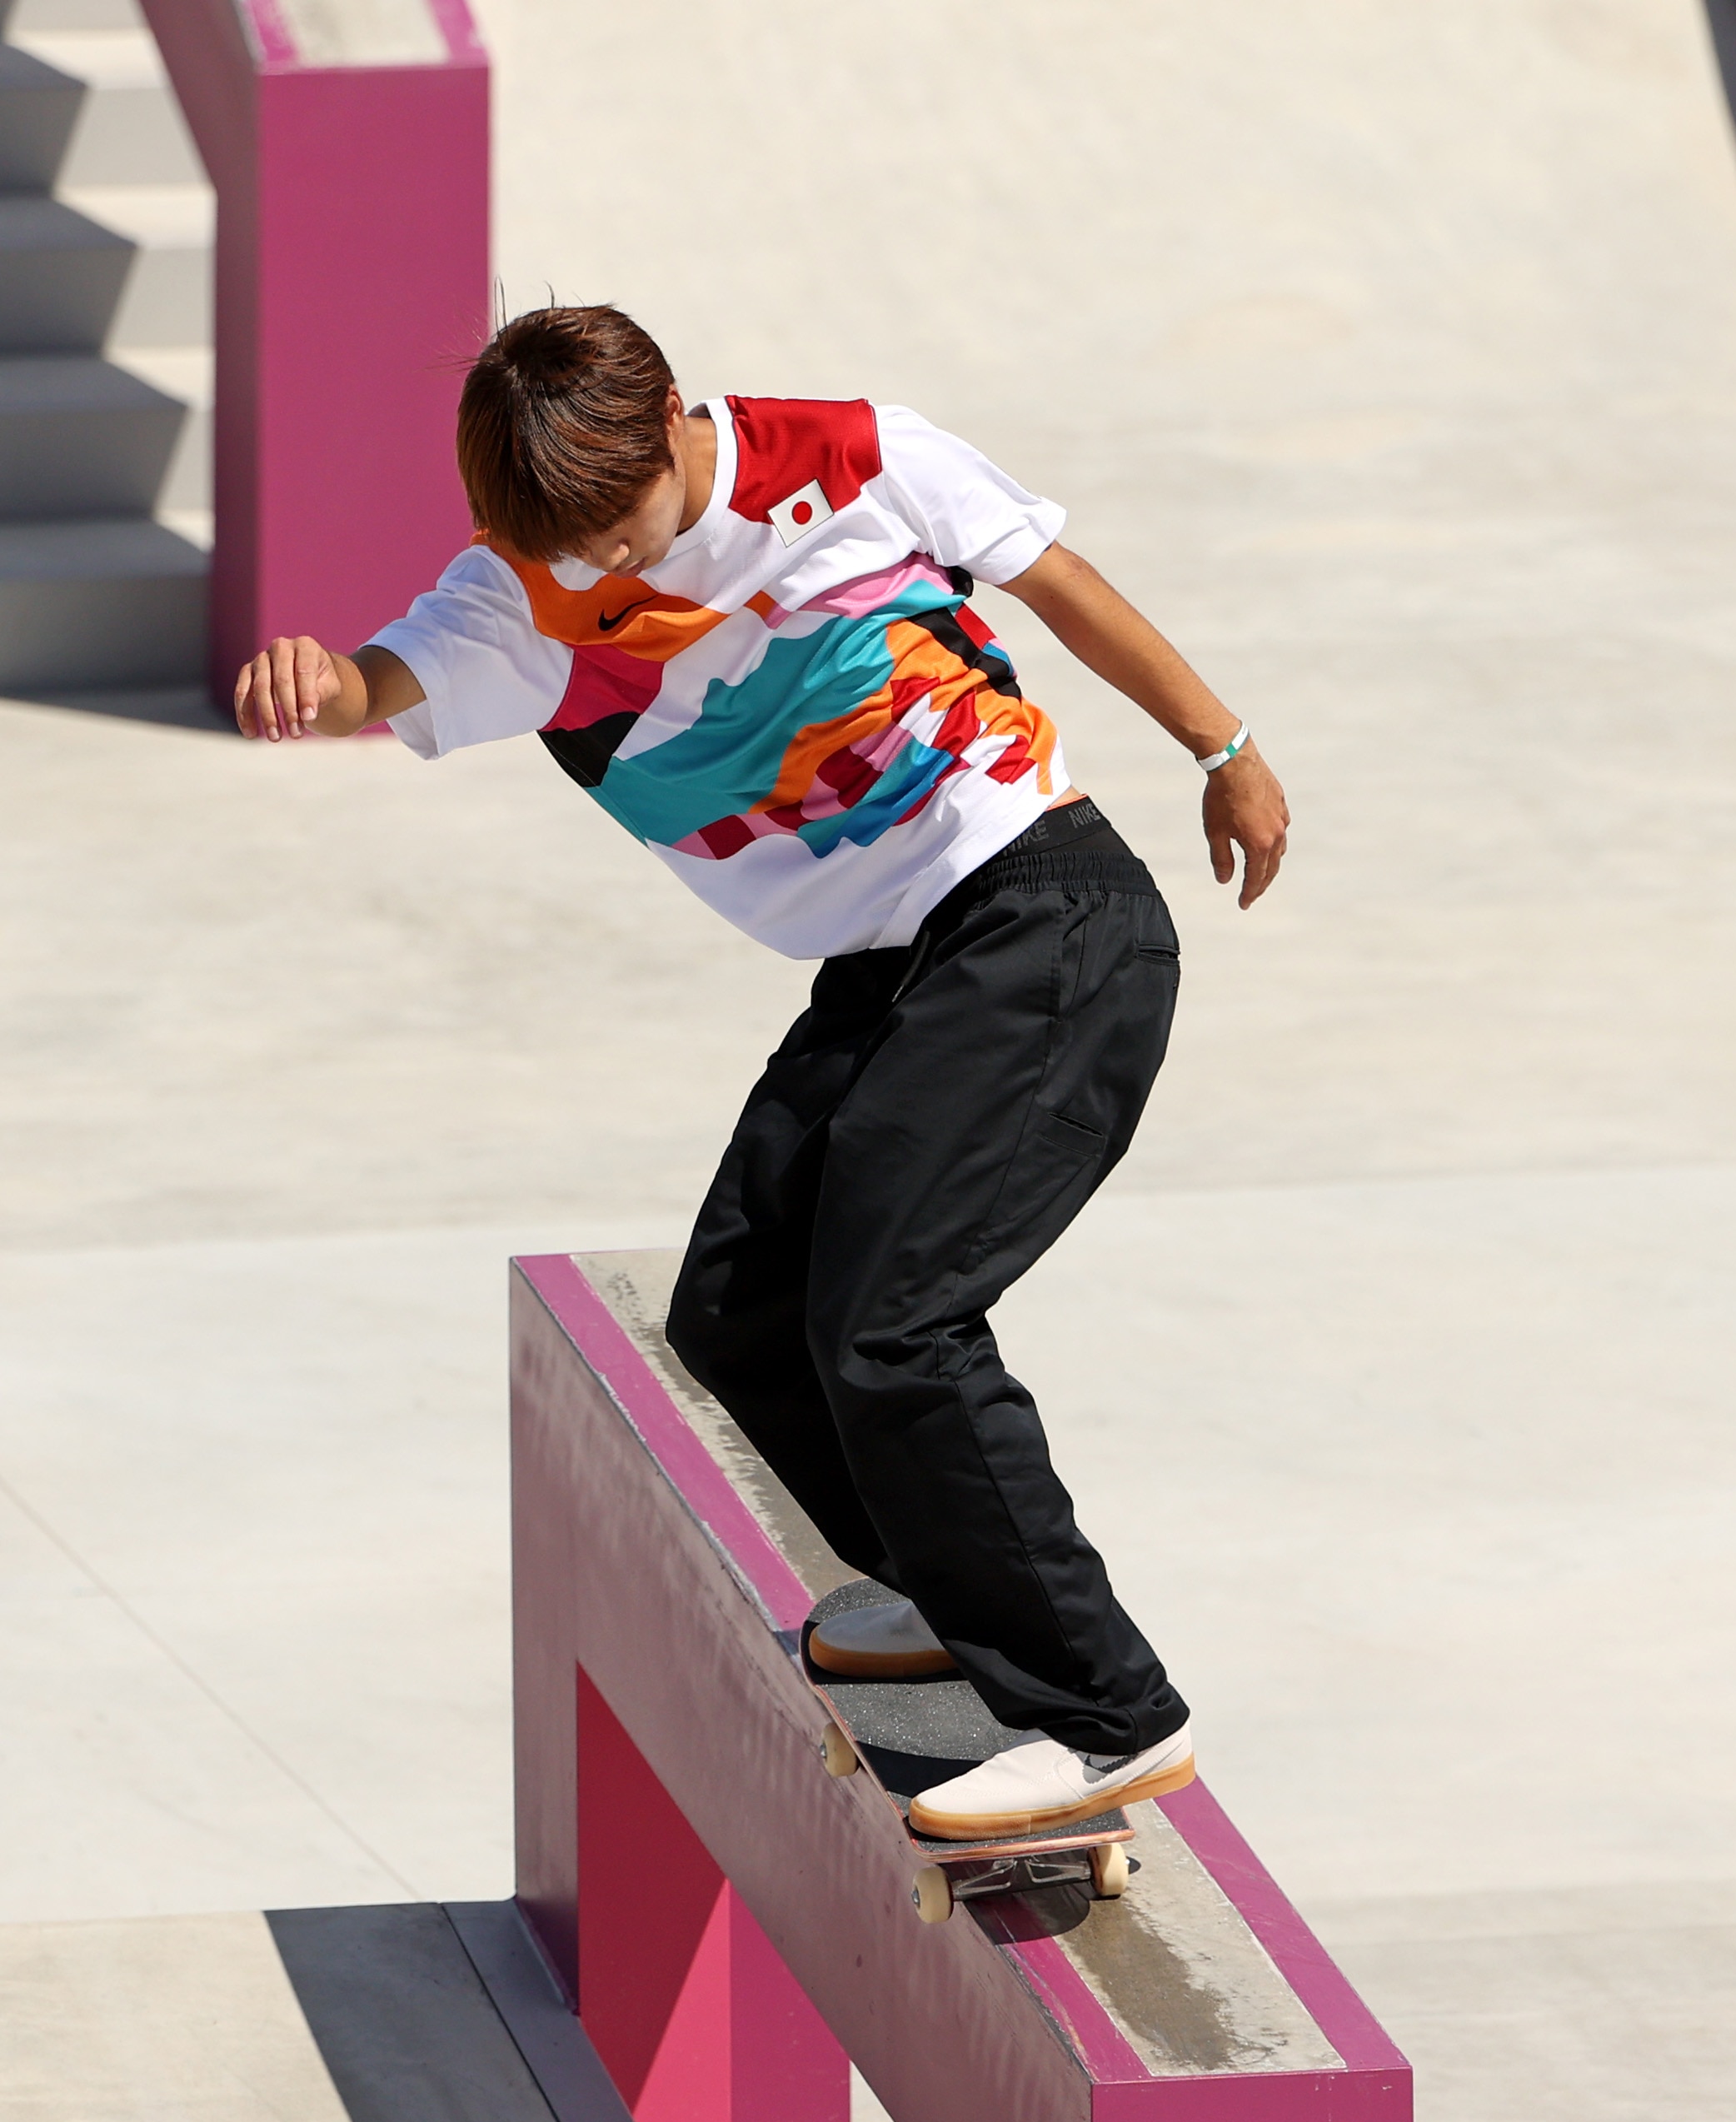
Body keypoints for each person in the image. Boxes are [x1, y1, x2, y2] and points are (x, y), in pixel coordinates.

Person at [235, 304, 1289, 1839]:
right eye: (569, 551)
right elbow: (375, 682)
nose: (610, 573)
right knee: (735, 1316)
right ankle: (953, 1595)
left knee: (895, 1324)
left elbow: (1051, 577)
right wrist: (308, 680)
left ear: (674, 427)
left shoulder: (848, 458)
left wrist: (1221, 746)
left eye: (625, 530)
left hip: (1038, 913)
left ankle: (1103, 1713)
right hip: (886, 972)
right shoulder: (524, 590)